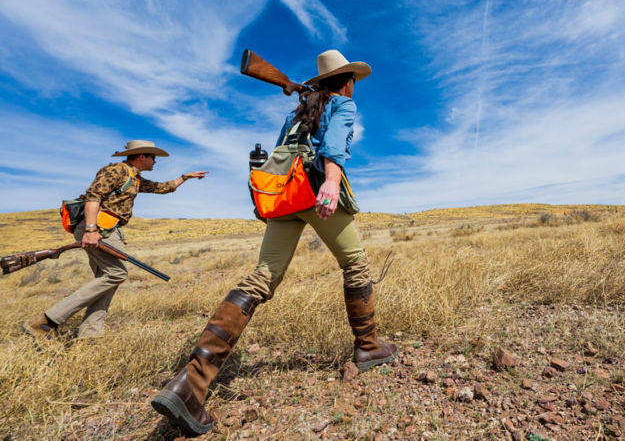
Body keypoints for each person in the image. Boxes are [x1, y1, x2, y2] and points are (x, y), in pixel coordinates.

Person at [151, 50, 398, 436]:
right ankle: (367, 346)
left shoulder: (297, 112)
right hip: (315, 190)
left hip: (284, 196)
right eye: (353, 81)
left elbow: (280, 155)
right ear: (347, 81)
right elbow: (334, 146)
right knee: (356, 265)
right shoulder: (344, 105)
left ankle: (190, 384)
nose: (355, 88)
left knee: (262, 277)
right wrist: (331, 184)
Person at [22, 140, 207, 341]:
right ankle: (45, 322)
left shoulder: (135, 178)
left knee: (107, 279)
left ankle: (90, 335)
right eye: (153, 157)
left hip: (107, 228)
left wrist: (184, 177)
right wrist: (91, 229)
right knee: (116, 274)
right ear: (141, 157)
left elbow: (162, 187)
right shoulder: (117, 170)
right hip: (99, 228)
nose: (156, 161)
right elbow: (94, 196)